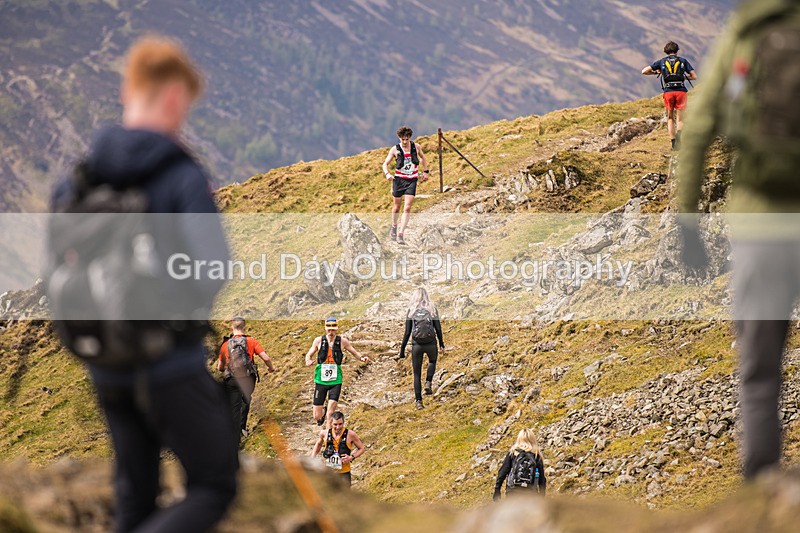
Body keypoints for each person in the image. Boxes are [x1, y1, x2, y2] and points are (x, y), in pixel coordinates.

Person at [49, 37, 237, 532]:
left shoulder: (79, 179)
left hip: (104, 361)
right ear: (174, 96)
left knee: (135, 493)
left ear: (127, 90)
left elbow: (57, 262)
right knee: (214, 485)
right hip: (169, 362)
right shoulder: (178, 174)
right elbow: (214, 265)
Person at [678, 0, 800, 480]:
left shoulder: (747, 33)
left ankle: (763, 489)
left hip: (760, 221)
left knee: (759, 365)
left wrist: (687, 225)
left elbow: (698, 130)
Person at [217, 316, 275, 445]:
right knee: (245, 399)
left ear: (232, 327)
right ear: (244, 327)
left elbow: (219, 367)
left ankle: (234, 437)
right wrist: (271, 368)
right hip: (248, 378)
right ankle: (242, 428)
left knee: (234, 406)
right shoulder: (251, 341)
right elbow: (265, 357)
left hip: (232, 379)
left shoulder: (226, 344)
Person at [304, 317, 371, 428]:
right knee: (317, 416)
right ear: (325, 328)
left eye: (333, 329)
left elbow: (354, 352)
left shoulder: (343, 341)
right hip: (321, 379)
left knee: (331, 413)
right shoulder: (318, 340)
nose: (331, 331)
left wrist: (362, 358)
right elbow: (309, 354)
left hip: (336, 380)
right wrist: (308, 360)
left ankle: (328, 439)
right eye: (329, 328)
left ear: (337, 329)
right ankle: (322, 413)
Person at [642, 41, 697, 150]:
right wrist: (683, 77)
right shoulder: (683, 61)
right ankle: (679, 136)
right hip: (681, 91)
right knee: (680, 119)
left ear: (666, 51)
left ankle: (673, 142)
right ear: (677, 50)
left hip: (668, 92)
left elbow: (644, 71)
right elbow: (694, 76)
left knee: (670, 117)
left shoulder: (661, 61)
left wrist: (657, 73)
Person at [381, 126, 430, 245]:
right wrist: (387, 174)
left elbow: (423, 158)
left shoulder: (416, 147)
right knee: (396, 207)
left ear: (409, 138)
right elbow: (385, 164)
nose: (404, 142)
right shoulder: (394, 149)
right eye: (402, 139)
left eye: (406, 139)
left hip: (412, 180)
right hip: (398, 180)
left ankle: (401, 234)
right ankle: (394, 226)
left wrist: (426, 171)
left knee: (407, 207)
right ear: (399, 138)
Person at [398, 288, 444, 410]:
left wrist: (402, 351)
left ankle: (419, 402)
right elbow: (438, 328)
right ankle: (428, 382)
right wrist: (442, 344)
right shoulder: (432, 309)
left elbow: (407, 332)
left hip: (416, 345)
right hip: (431, 343)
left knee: (417, 374)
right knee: (432, 361)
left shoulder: (411, 310)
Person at [310, 411, 366, 487]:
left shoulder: (351, 434)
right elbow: (319, 444)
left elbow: (361, 449)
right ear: (330, 423)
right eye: (335, 424)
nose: (338, 427)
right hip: (329, 472)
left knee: (345, 497)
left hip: (344, 473)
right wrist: (312, 457)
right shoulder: (324, 433)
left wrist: (351, 457)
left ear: (344, 422)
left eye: (340, 424)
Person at [493, 429, 547, 500]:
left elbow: (503, 472)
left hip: (512, 492)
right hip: (530, 494)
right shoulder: (536, 456)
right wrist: (542, 496)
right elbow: (542, 479)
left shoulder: (513, 453)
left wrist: (497, 489)